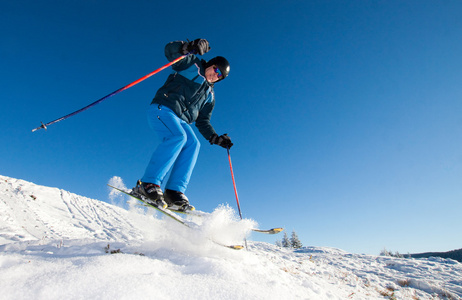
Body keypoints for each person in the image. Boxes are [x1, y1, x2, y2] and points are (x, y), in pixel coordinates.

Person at [132, 38, 233, 211]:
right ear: (211, 64)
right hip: (163, 109)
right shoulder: (193, 65)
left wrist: (215, 138)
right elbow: (170, 51)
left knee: (193, 144)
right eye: (216, 69)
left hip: (181, 120)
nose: (215, 75)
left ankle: (173, 192)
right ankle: (148, 184)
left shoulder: (210, 96)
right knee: (178, 137)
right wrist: (188, 48)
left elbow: (203, 121)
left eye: (220, 76)